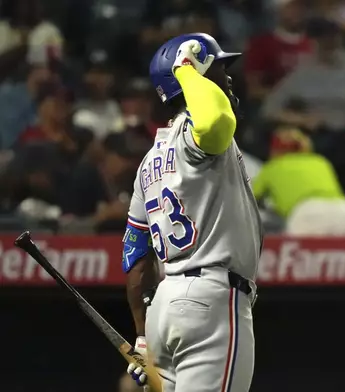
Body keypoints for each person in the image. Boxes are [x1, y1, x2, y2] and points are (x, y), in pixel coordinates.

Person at [121, 33, 262, 392]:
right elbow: (216, 122)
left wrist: (141, 338)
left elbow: (136, 258)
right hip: (212, 300)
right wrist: (187, 71)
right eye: (218, 68)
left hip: (164, 310)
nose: (228, 77)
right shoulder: (196, 137)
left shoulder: (148, 162)